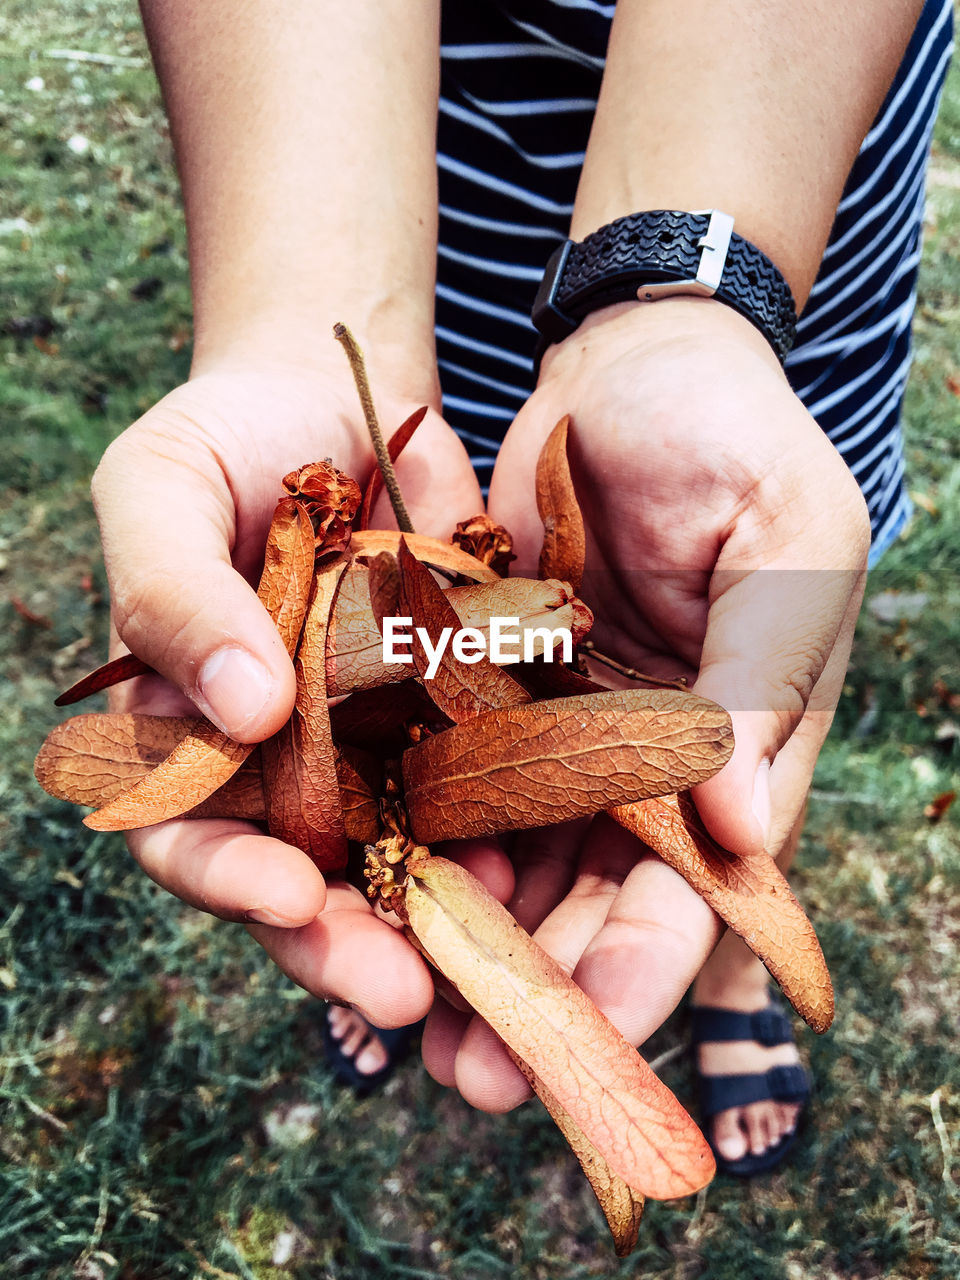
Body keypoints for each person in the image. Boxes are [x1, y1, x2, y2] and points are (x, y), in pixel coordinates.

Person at [93, 0, 952, 1176]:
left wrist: (683, 306)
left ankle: (726, 956)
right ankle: (399, 891)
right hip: (414, 180)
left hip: (791, 169)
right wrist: (303, 319)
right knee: (643, 648)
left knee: (724, 662)